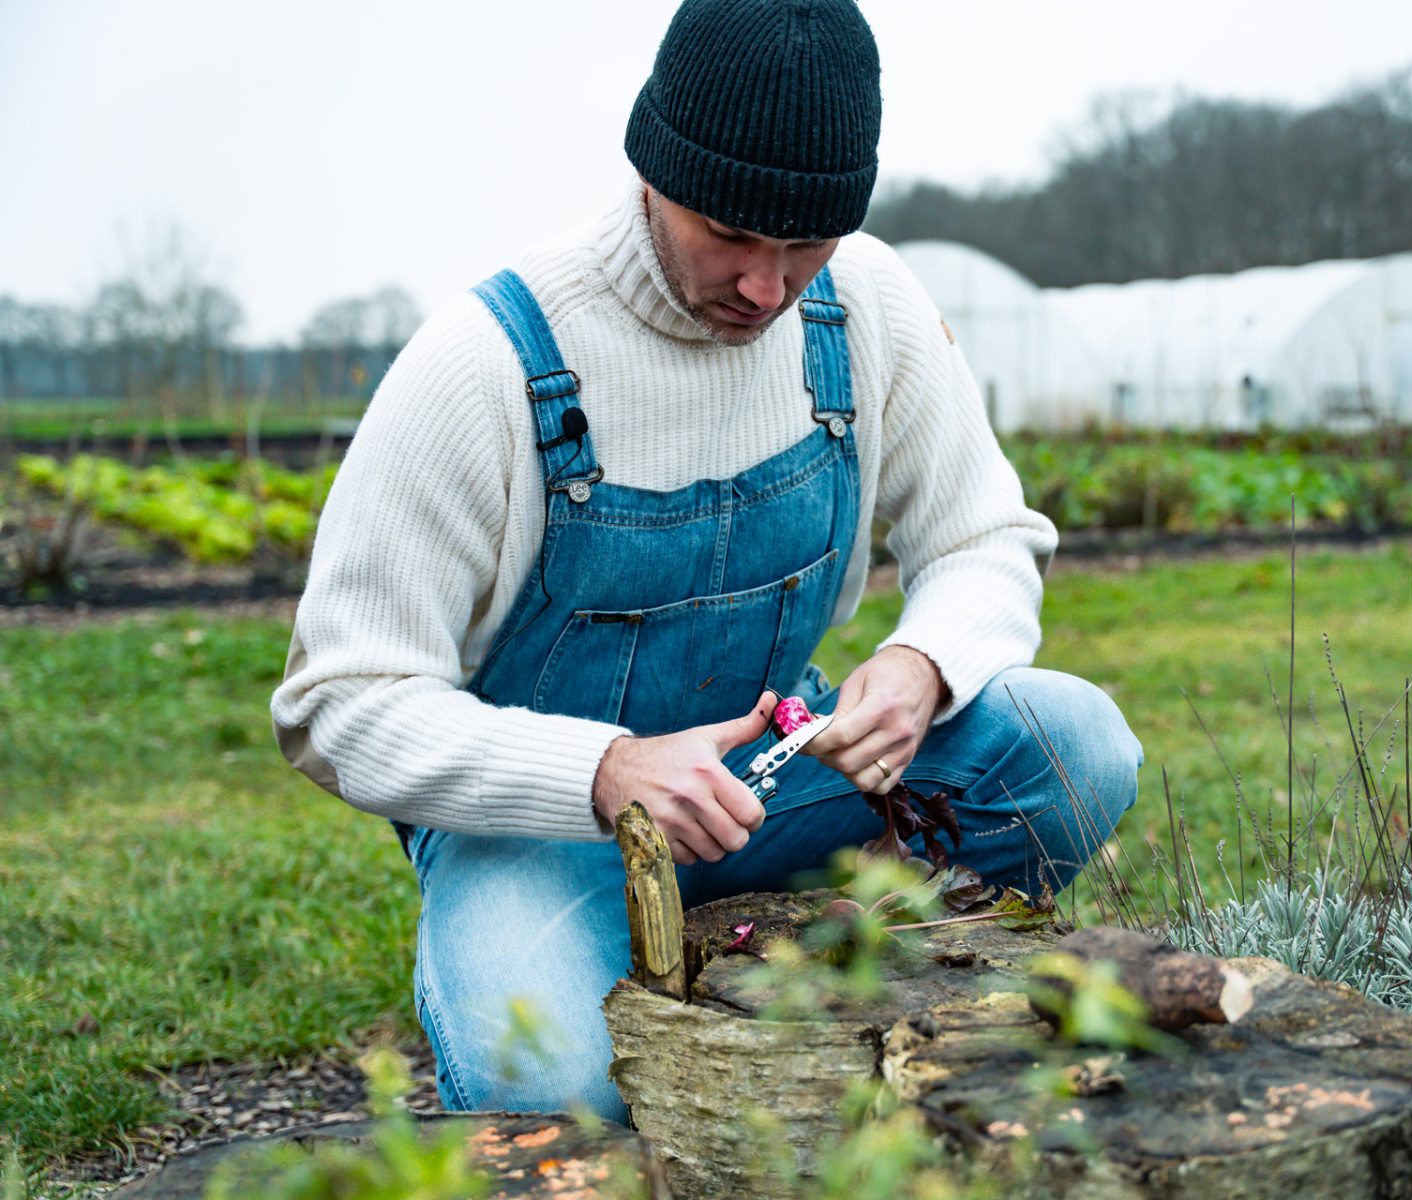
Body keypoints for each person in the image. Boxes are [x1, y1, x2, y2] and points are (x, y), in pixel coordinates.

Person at [271, 0, 1139, 1121]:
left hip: (779, 784)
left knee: (1074, 744)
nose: (769, 288)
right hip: (542, 832)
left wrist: (925, 663)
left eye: (805, 245)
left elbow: (986, 539)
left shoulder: (861, 305)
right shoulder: (485, 366)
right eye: (731, 234)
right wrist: (605, 771)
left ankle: (868, 990)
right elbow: (336, 703)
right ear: (653, 169)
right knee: (545, 1084)